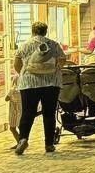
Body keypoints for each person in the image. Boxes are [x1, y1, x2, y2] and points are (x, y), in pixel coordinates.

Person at [13, 20, 66, 155]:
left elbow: (17, 64)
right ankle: (49, 144)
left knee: (27, 113)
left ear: (32, 31)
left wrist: (24, 74)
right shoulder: (53, 44)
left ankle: (23, 139)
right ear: (45, 31)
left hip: (29, 84)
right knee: (49, 114)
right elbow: (62, 59)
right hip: (51, 83)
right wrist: (55, 69)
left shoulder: (24, 45)